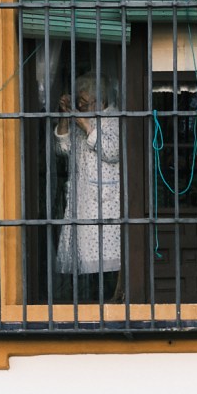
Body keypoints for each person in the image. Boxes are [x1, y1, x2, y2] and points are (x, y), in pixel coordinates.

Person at [54, 74, 122, 301]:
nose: (80, 105)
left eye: (83, 101)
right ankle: (89, 303)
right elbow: (62, 149)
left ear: (98, 99)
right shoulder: (79, 117)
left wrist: (87, 127)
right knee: (83, 256)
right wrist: (65, 117)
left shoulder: (115, 118)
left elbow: (113, 152)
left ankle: (110, 301)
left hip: (105, 202)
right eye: (79, 101)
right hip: (81, 200)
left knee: (106, 257)